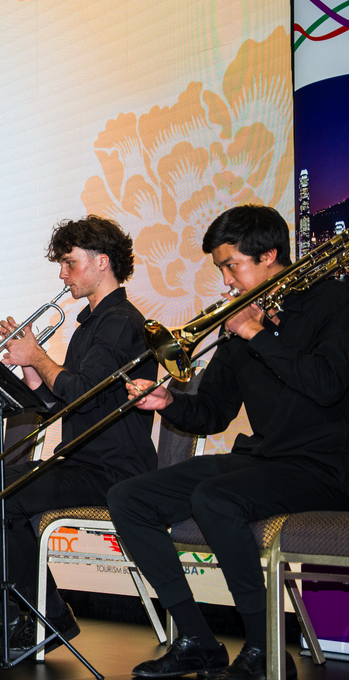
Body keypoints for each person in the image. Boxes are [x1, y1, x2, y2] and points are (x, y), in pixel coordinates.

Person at [108, 204, 349, 680]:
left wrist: (256, 332)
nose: (226, 280)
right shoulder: (242, 322)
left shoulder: (334, 303)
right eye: (221, 267)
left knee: (215, 499)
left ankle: (264, 649)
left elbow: (326, 384)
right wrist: (167, 402)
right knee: (130, 497)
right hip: (267, 459)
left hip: (326, 465)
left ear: (269, 255)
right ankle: (197, 639)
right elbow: (214, 413)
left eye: (231, 265)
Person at [0, 215, 157, 657]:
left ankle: (38, 618)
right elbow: (64, 404)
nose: (62, 275)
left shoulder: (120, 322)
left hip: (113, 470)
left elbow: (83, 394)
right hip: (84, 460)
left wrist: (38, 355)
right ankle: (14, 618)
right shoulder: (92, 323)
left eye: (69, 263)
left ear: (102, 262)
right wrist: (30, 368)